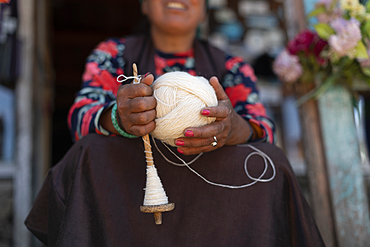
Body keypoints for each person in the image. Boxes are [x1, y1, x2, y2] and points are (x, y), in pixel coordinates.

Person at [25, 0, 325, 246]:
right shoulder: (112, 55)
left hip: (214, 205)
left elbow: (264, 128)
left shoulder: (232, 66)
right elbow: (80, 117)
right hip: (128, 198)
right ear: (143, 5)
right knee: (90, 150)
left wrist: (233, 128)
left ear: (204, 8)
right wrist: (118, 117)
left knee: (272, 159)